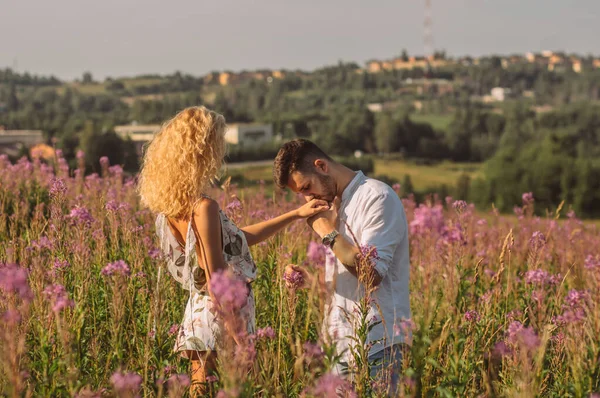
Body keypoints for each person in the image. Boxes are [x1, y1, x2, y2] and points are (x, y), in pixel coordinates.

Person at [137, 107, 328, 396]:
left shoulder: (172, 208)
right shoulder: (204, 207)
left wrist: (295, 214)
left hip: (199, 312)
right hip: (221, 318)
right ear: (203, 151)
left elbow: (237, 240)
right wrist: (241, 338)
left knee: (200, 390)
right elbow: (217, 280)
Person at [274, 139, 411, 394]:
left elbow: (371, 275)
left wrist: (325, 230)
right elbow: (352, 283)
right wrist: (313, 282)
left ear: (322, 166)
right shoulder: (338, 205)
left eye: (307, 187)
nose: (307, 198)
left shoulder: (376, 197)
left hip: (377, 345)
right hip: (342, 348)